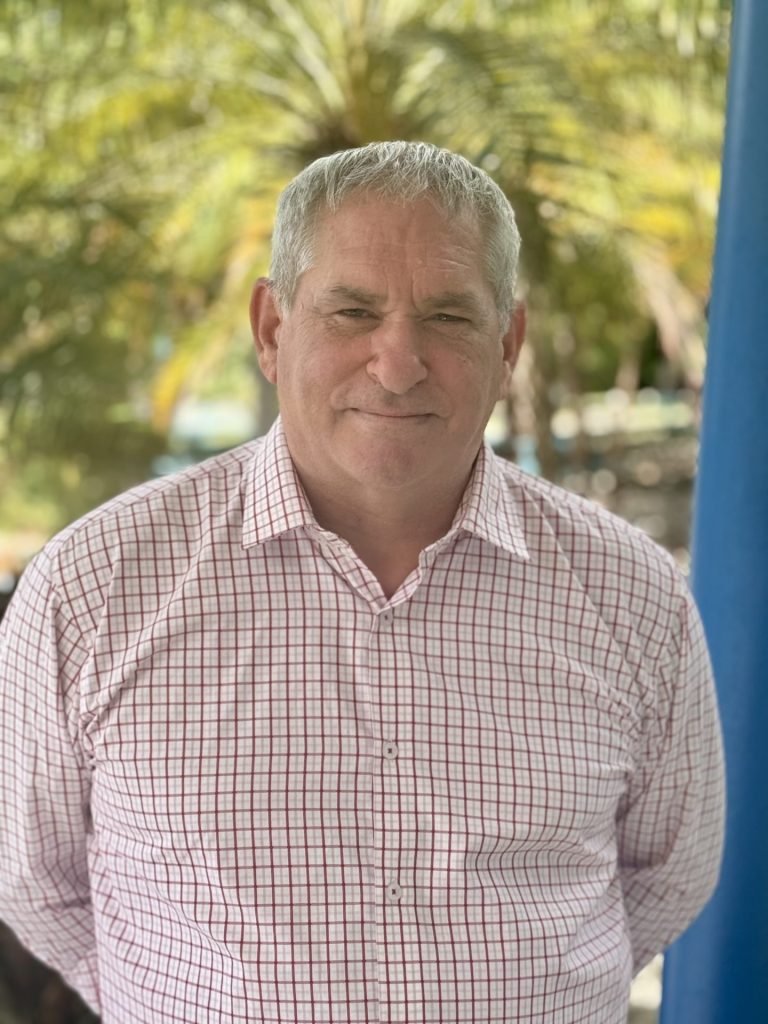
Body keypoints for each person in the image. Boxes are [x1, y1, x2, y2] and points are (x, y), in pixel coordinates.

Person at [0, 141, 724, 1024]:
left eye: (448, 316)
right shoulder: (91, 588)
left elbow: (667, 874)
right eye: (352, 311)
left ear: (508, 345)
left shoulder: (634, 595)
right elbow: (37, 881)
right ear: (272, 329)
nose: (398, 361)